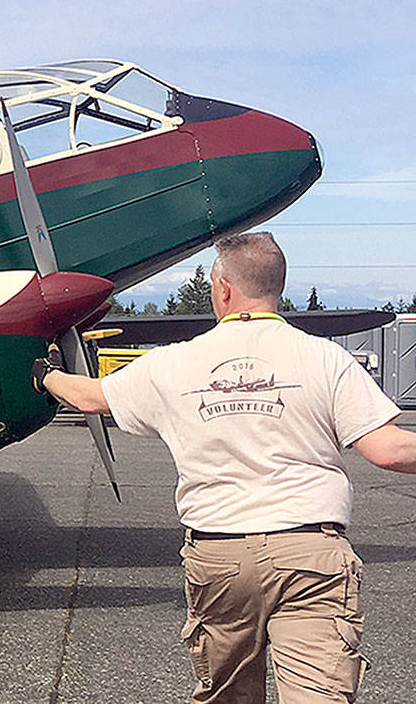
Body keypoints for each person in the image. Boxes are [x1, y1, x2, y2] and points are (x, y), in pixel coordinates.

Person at [32, 231, 416, 703]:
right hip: (310, 553)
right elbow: (391, 450)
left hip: (219, 555)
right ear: (277, 286)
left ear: (223, 287)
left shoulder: (172, 363)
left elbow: (89, 397)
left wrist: (45, 374)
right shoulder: (325, 358)